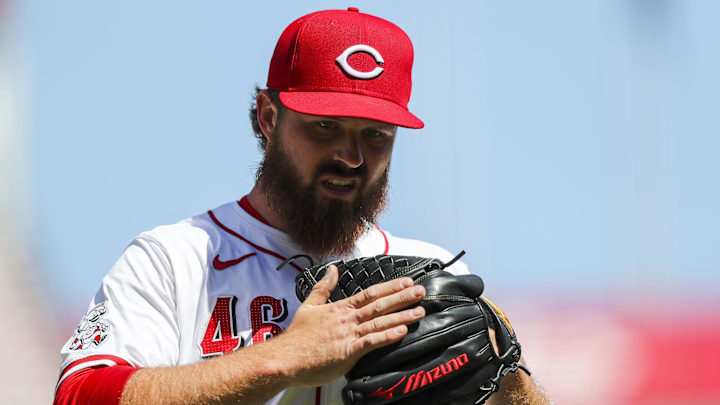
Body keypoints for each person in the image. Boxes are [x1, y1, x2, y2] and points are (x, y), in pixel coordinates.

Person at [54, 7, 551, 405]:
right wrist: (283, 359)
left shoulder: (427, 272)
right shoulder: (175, 260)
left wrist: (505, 371)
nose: (351, 156)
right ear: (269, 117)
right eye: (325, 126)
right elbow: (79, 395)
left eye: (375, 135)